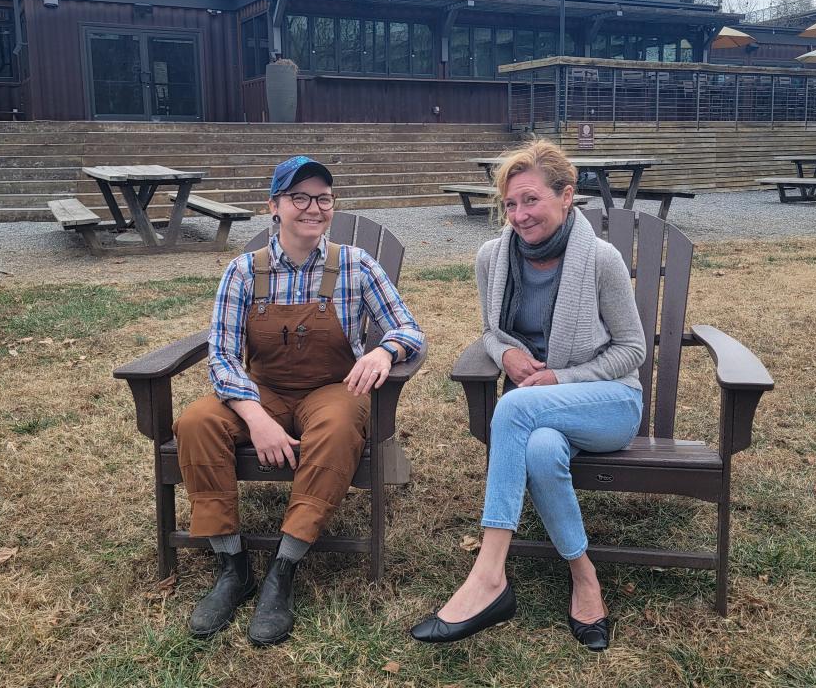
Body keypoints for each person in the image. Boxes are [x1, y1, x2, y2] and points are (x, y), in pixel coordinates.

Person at [175, 155, 424, 647]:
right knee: (197, 421)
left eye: (323, 199)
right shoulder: (243, 272)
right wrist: (254, 416)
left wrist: (382, 350)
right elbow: (222, 356)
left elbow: (409, 329)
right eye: (300, 198)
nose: (314, 208)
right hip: (262, 392)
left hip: (333, 390)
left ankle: (283, 568)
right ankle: (233, 566)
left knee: (336, 428)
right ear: (275, 206)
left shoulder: (356, 264)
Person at [410, 139, 646, 652]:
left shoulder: (600, 260)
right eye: (511, 203)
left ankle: (489, 574)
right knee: (538, 449)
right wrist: (506, 356)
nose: (519, 214)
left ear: (567, 196)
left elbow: (634, 348)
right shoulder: (492, 258)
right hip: (540, 418)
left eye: (532, 200)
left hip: (607, 404)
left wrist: (563, 379)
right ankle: (585, 578)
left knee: (513, 406)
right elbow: (492, 332)